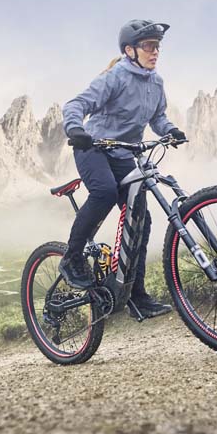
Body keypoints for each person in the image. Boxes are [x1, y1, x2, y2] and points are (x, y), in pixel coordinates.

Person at [59, 19, 187, 319]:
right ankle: (72, 258)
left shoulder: (156, 83)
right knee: (103, 192)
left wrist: (171, 130)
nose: (155, 52)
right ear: (130, 50)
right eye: (148, 46)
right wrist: (76, 128)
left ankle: (135, 295)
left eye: (157, 46)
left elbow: (158, 117)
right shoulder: (115, 77)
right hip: (93, 148)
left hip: (124, 154)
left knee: (139, 221)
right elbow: (76, 104)